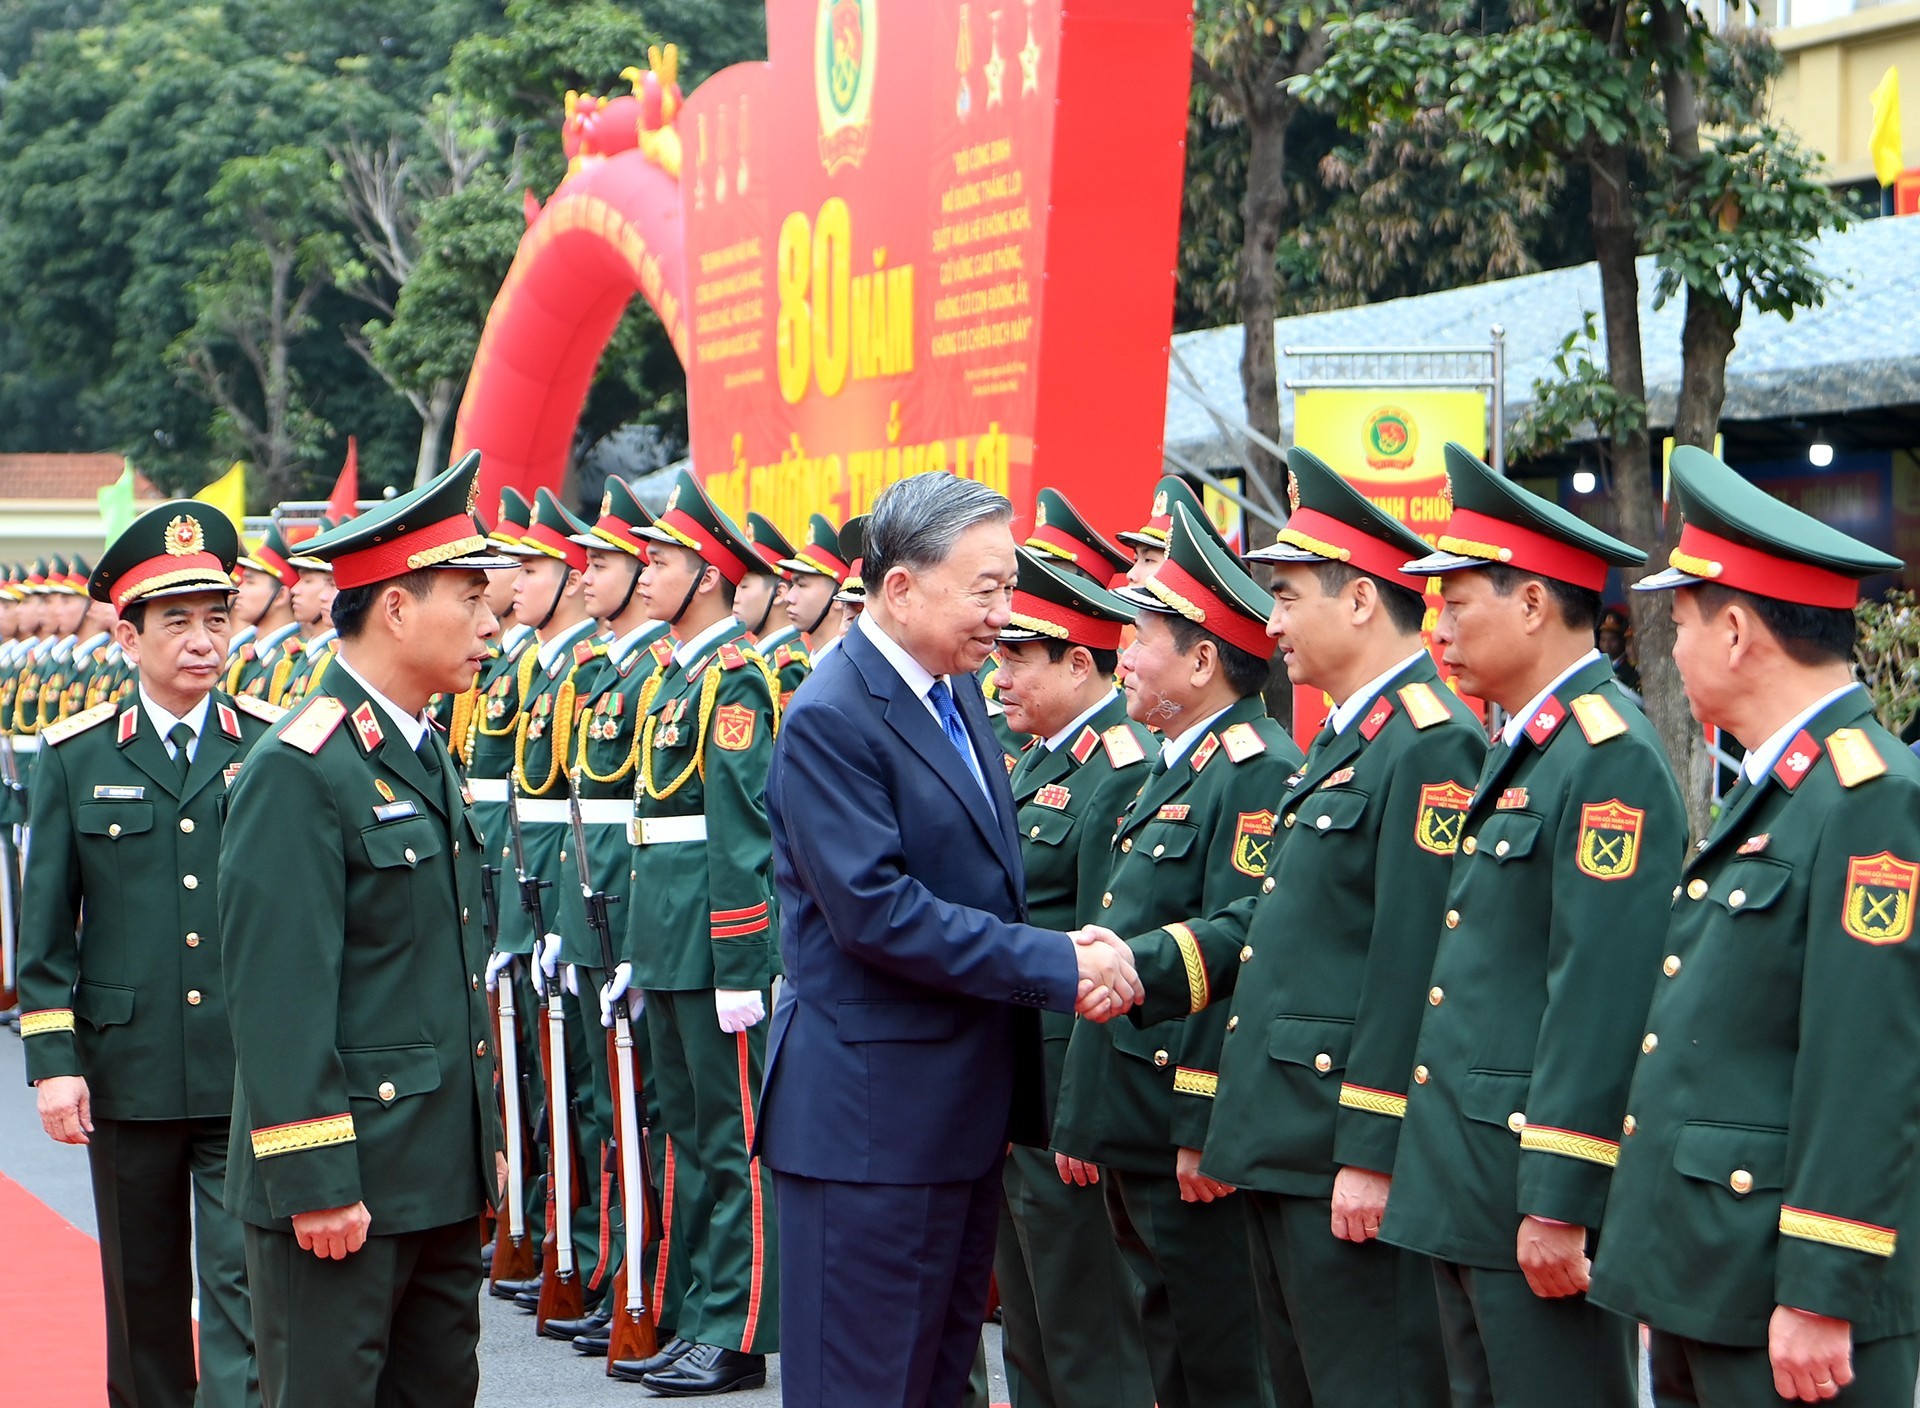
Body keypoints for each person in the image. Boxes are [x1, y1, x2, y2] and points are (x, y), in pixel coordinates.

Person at [759, 470, 1144, 1408]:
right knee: (867, 1388)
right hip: (869, 1130)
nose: (1005, 616)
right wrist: (1060, 964)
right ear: (899, 587)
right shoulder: (832, 718)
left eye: (1009, 589)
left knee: (937, 1386)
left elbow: (980, 884)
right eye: (988, 590)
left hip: (955, 1120)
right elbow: (879, 914)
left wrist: (1067, 943)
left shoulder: (955, 694)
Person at [1123, 449, 1481, 1406]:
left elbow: (1412, 960)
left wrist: (1371, 1150)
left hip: (1339, 1150)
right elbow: (1274, 922)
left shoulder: (1432, 741)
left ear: (1359, 600)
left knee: (1372, 1383)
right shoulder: (1346, 739)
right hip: (1285, 1138)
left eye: (1286, 595)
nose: (1270, 621)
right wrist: (1140, 964)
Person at [1588, 447, 1920, 1407]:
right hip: (1711, 1274)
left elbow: (1868, 1060)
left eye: (1680, 624)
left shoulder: (1868, 797)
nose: (1669, 648)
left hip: (1788, 1297)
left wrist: (1822, 1288)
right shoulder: (1783, 790)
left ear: (1736, 631)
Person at [1381, 443, 1687, 1408]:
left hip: (1527, 1183)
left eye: (1458, 599)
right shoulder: (1529, 746)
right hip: (1471, 1177)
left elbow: (1599, 989)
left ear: (1530, 603)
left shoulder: (1608, 757)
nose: (1439, 625)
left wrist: (1561, 1193)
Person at [218, 452, 513, 1408]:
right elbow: (279, 993)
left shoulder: (420, 749)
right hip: (342, 1188)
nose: (492, 623)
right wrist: (313, 1177)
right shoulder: (301, 768)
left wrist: (484, 1140)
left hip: (433, 1173)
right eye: (469, 600)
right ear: (395, 608)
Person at [17, 502, 281, 1408]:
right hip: (126, 1068)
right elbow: (45, 931)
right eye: (177, 623)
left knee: (246, 1282)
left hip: (249, 1065)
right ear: (128, 637)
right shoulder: (75, 757)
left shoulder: (276, 748)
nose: (203, 641)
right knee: (143, 1293)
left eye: (217, 618)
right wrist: (54, 1063)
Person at [1048, 503, 1303, 1408]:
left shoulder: (1256, 769)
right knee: (1170, 1346)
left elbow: (1240, 956)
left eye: (1140, 638)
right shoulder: (1172, 763)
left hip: (1182, 1119)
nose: (1122, 657)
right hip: (1134, 1113)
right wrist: (1085, 1114)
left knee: (1223, 1357)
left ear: (1202, 661)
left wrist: (1204, 1125)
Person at [611, 469, 784, 1395]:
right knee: (683, 1130)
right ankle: (695, 1310)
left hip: (715, 941)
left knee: (732, 1140)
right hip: (667, 932)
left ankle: (740, 1327)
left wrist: (741, 959)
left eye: (665, 560)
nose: (646, 574)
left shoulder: (735, 680)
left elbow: (741, 830)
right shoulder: (672, 675)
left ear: (710, 576)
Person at [990, 547, 1157, 1408]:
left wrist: (1086, 1114)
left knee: (1089, 1323)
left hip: (1067, 1085)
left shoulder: (1119, 772)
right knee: (1030, 1314)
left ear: (1081, 662)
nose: (1000, 671)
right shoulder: (1036, 760)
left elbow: (1106, 958)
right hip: (1017, 1071)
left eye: (1020, 657)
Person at [225, 522, 302, 699]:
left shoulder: (290, 660)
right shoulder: (252, 656)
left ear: (281, 596)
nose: (239, 592)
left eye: (250, 583)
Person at [777, 511, 853, 667]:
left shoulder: (845, 668)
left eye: (802, 585)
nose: (789, 598)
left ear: (839, 597)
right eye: (793, 584)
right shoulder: (817, 663)